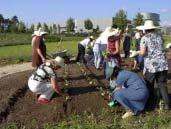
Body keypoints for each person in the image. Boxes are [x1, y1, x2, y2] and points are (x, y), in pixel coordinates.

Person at [139, 20, 170, 110]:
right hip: (163, 64)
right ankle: (167, 105)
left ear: (146, 29)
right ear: (153, 28)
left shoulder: (144, 38)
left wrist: (138, 53)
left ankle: (151, 104)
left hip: (151, 65)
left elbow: (142, 53)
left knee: (149, 85)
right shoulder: (160, 37)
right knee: (162, 84)